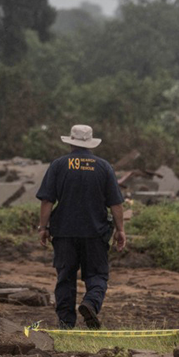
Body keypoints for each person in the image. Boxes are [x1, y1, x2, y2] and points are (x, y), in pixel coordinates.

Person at [36, 124, 125, 329]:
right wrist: (120, 230)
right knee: (97, 275)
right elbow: (116, 204)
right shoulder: (103, 167)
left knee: (65, 277)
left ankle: (66, 323)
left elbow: (47, 201)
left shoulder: (58, 165)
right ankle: (90, 303)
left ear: (71, 142)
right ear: (90, 143)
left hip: (64, 232)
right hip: (95, 232)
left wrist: (43, 227)